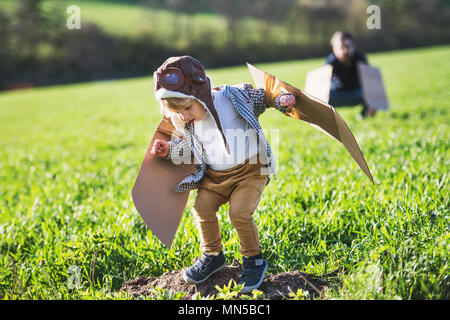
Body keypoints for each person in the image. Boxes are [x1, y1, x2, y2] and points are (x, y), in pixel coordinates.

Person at [150, 56, 296, 293]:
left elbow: (264, 97)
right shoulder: (189, 123)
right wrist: (169, 151)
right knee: (202, 209)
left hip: (250, 172)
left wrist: (281, 100)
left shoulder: (232, 98)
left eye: (187, 108)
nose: (184, 116)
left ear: (201, 93)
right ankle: (213, 255)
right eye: (179, 112)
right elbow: (190, 150)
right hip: (215, 177)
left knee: (239, 213)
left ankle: (254, 261)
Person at [326, 31, 377, 117]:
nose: (345, 51)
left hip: (357, 94)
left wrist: (375, 102)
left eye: (348, 47)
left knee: (370, 93)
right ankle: (330, 120)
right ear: (334, 49)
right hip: (336, 95)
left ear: (354, 47)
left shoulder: (361, 59)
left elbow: (371, 83)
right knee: (324, 97)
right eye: (341, 47)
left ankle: (364, 116)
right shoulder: (330, 62)